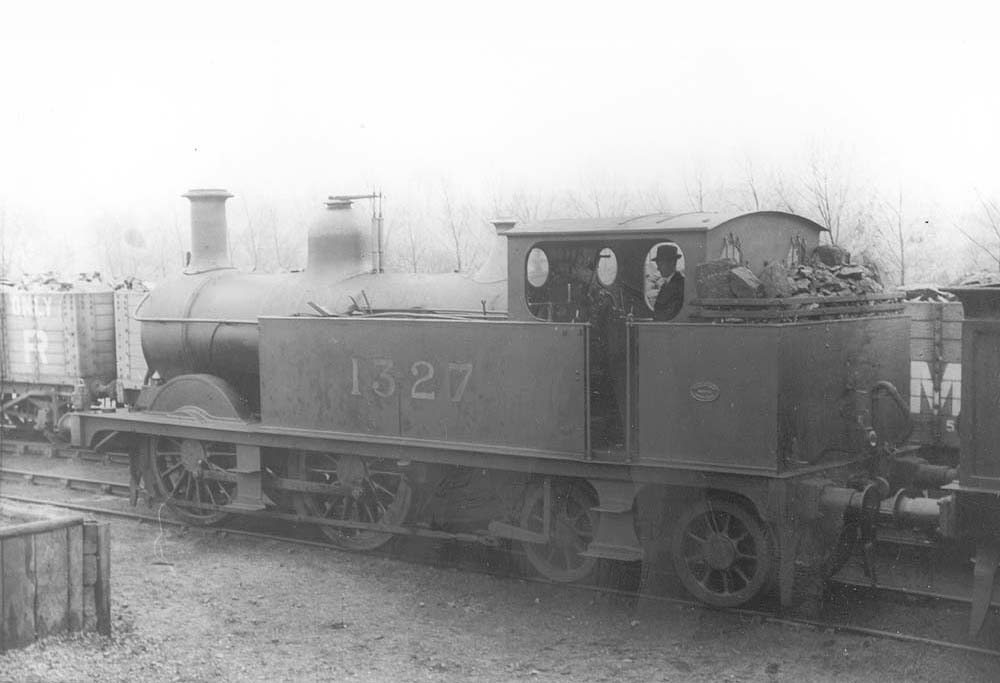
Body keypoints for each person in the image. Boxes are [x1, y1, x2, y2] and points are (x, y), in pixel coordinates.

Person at [652, 243, 685, 321]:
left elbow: (669, 314)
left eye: (660, 264)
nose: (658, 268)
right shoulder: (667, 283)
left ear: (672, 263)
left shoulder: (680, 284)